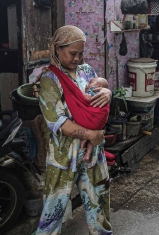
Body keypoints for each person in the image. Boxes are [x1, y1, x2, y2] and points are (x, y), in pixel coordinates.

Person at [36, 25, 113, 235]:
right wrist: (92, 134)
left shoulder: (87, 71)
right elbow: (57, 122)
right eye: (72, 53)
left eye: (81, 53)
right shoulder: (49, 80)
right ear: (57, 49)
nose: (78, 58)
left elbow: (100, 94)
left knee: (99, 198)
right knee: (54, 207)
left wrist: (107, 93)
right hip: (63, 154)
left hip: (92, 153)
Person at [82, 77, 110, 163]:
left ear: (99, 85)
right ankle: (88, 154)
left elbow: (89, 99)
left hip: (92, 118)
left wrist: (84, 97)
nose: (87, 85)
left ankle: (83, 143)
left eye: (91, 82)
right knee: (92, 139)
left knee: (86, 131)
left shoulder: (94, 90)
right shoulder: (102, 92)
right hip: (99, 121)